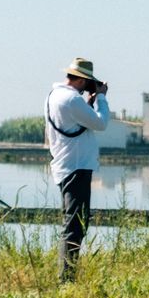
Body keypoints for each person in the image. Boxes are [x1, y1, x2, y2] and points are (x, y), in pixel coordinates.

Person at [45, 57, 110, 281]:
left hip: (67, 165)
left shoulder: (54, 95)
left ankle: (67, 277)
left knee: (73, 223)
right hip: (76, 167)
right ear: (82, 81)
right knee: (74, 226)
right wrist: (101, 97)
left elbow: (77, 123)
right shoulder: (72, 99)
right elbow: (100, 123)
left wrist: (89, 102)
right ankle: (66, 280)